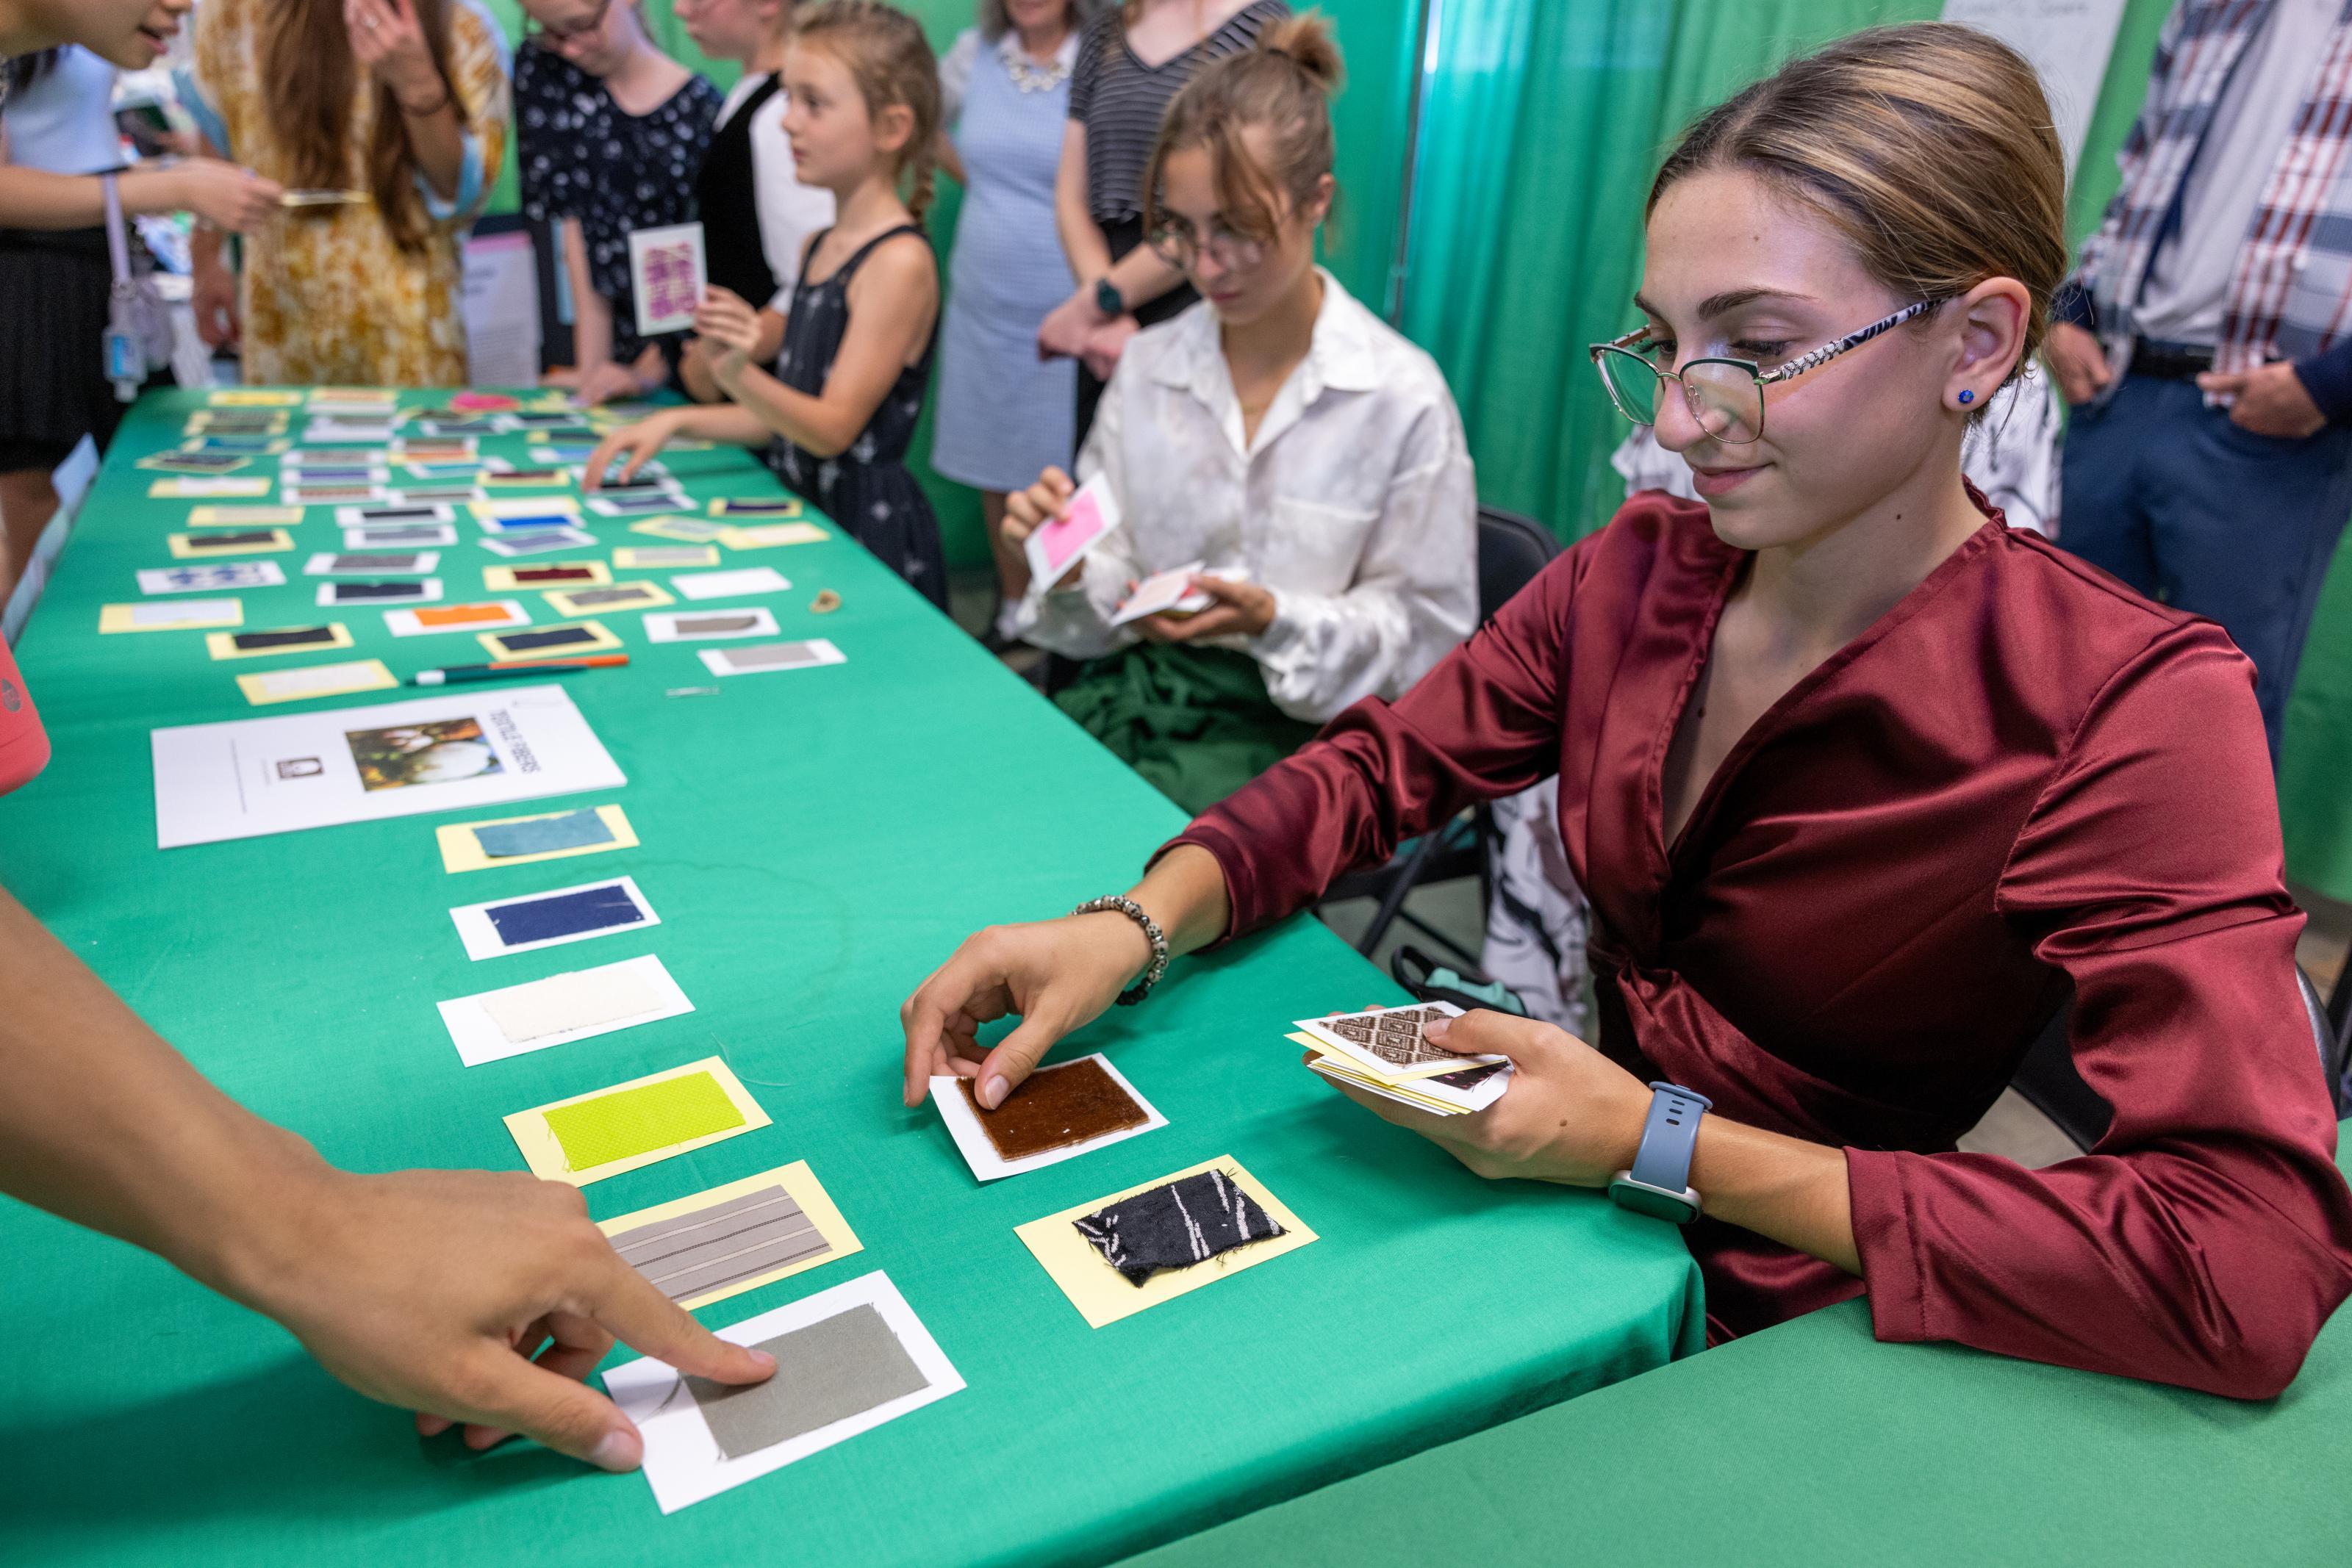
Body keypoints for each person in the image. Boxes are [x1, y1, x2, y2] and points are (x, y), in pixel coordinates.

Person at [900, 24, 2352, 1399]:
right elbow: (1379, 769)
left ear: (1975, 343)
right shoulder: (1638, 575)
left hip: (1808, 1325)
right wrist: (1136, 922)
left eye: (1755, 347)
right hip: (1571, 1223)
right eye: (1660, 342)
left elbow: (2247, 1257)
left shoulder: (2126, 704)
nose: (1671, 421)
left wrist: (1664, 1140)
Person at [997, 18, 1473, 816]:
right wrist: (1069, 566)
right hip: (1145, 706)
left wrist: (1276, 621)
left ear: (1316, 201)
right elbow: (1105, 600)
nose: (1208, 264)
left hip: (1316, 745)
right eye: (1181, 232)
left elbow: (1426, 643)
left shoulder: (1399, 396)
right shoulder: (1149, 369)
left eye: (1239, 229)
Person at [2046, 0, 2352, 763]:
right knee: (2052, 677)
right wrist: (2073, 309)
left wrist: (2331, 385)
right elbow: (2139, 175)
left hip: (2273, 424)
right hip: (2119, 390)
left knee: (2218, 723)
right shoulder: (2207, 8)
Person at [585, 0, 949, 610]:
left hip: (870, 537)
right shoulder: (817, 246)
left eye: (814, 104)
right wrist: (675, 423)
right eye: (789, 101)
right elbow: (787, 420)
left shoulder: (898, 263)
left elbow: (831, 429)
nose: (788, 123)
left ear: (891, 129)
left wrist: (735, 371)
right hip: (814, 521)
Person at [1, 45, 280, 599]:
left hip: (104, 264)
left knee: (150, 469)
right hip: (38, 278)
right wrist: (171, 187)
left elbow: (71, 152)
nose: (175, 9)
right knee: (33, 493)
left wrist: (173, 179)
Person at [181, 0, 509, 386]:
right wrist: (206, 257)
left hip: (412, 337)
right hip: (282, 326)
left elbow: (459, 191)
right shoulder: (235, 13)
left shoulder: (463, 23)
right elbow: (217, 128)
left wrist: (419, 85)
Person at [1041, 0, 1287, 454]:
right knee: (1101, 477)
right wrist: (1105, 311)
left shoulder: (1263, 27)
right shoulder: (1104, 33)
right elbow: (1071, 197)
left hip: (1205, 290)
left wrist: (1098, 303)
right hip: (1107, 321)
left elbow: (1230, 208)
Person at [931, 0, 1096, 640]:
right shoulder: (974, 54)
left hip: (1069, 307)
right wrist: (980, 180)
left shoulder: (1102, 57)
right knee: (994, 458)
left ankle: (1066, 624)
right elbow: (917, 119)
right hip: (983, 303)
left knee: (1064, 467)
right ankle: (1011, 613)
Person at [515, 0, 720, 406]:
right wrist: (592, 369)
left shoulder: (700, 111)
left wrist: (654, 367)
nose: (570, 48)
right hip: (605, 345)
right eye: (552, 32)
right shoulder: (546, 69)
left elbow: (684, 257)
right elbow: (576, 227)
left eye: (582, 25)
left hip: (685, 349)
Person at [670, 0, 835, 403]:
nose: (681, 9)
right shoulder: (750, 98)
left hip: (768, 400)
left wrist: (715, 362)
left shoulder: (781, 118)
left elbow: (813, 281)